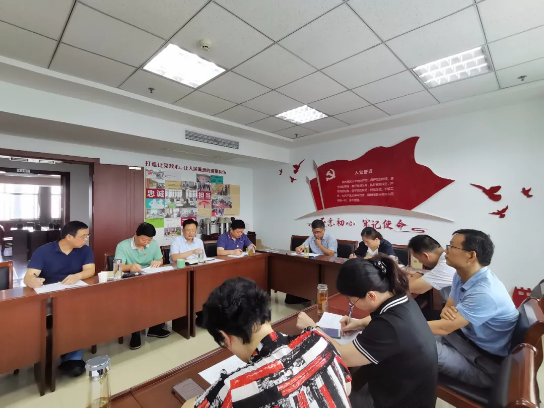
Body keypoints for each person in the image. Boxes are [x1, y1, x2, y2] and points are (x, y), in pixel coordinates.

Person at [182, 277, 352, 408]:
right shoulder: (319, 340)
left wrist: (213, 393)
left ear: (225, 338)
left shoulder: (233, 390)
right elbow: (347, 386)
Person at [296, 255, 438, 408]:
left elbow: (342, 356)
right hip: (405, 386)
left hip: (398, 401)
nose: (352, 305)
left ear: (371, 295)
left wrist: (313, 328)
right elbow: (384, 317)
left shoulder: (388, 327)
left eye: (352, 302)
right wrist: (358, 323)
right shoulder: (402, 298)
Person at [429, 229, 518, 388]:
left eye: (452, 246)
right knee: (408, 339)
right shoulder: (460, 275)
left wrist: (399, 326)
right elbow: (447, 311)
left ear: (471, 255)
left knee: (410, 344)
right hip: (461, 341)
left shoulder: (485, 292)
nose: (445, 251)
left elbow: (444, 327)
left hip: (483, 363)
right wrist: (448, 318)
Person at [24, 221, 95, 377]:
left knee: (81, 315)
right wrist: (32, 280)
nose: (86, 239)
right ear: (69, 237)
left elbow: (90, 270)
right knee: (58, 319)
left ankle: (72, 356)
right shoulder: (44, 251)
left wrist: (78, 276)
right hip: (49, 299)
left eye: (87, 236)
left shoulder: (85, 250)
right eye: (83, 236)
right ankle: (56, 354)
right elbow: (29, 276)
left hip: (74, 296)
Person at [114, 222, 170, 350]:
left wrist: (157, 262)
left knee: (164, 293)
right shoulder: (122, 246)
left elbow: (160, 259)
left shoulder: (153, 244)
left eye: (149, 240)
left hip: (149, 278)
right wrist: (130, 266)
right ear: (136, 235)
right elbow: (117, 267)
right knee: (135, 302)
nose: (146, 243)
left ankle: (155, 327)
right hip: (130, 281)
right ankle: (135, 333)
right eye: (143, 239)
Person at [407, 235, 456, 320]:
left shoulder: (445, 266)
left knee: (412, 318)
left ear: (425, 255)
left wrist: (416, 273)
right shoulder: (447, 259)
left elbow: (412, 288)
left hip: (456, 314)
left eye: (417, 258)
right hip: (451, 309)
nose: (419, 262)